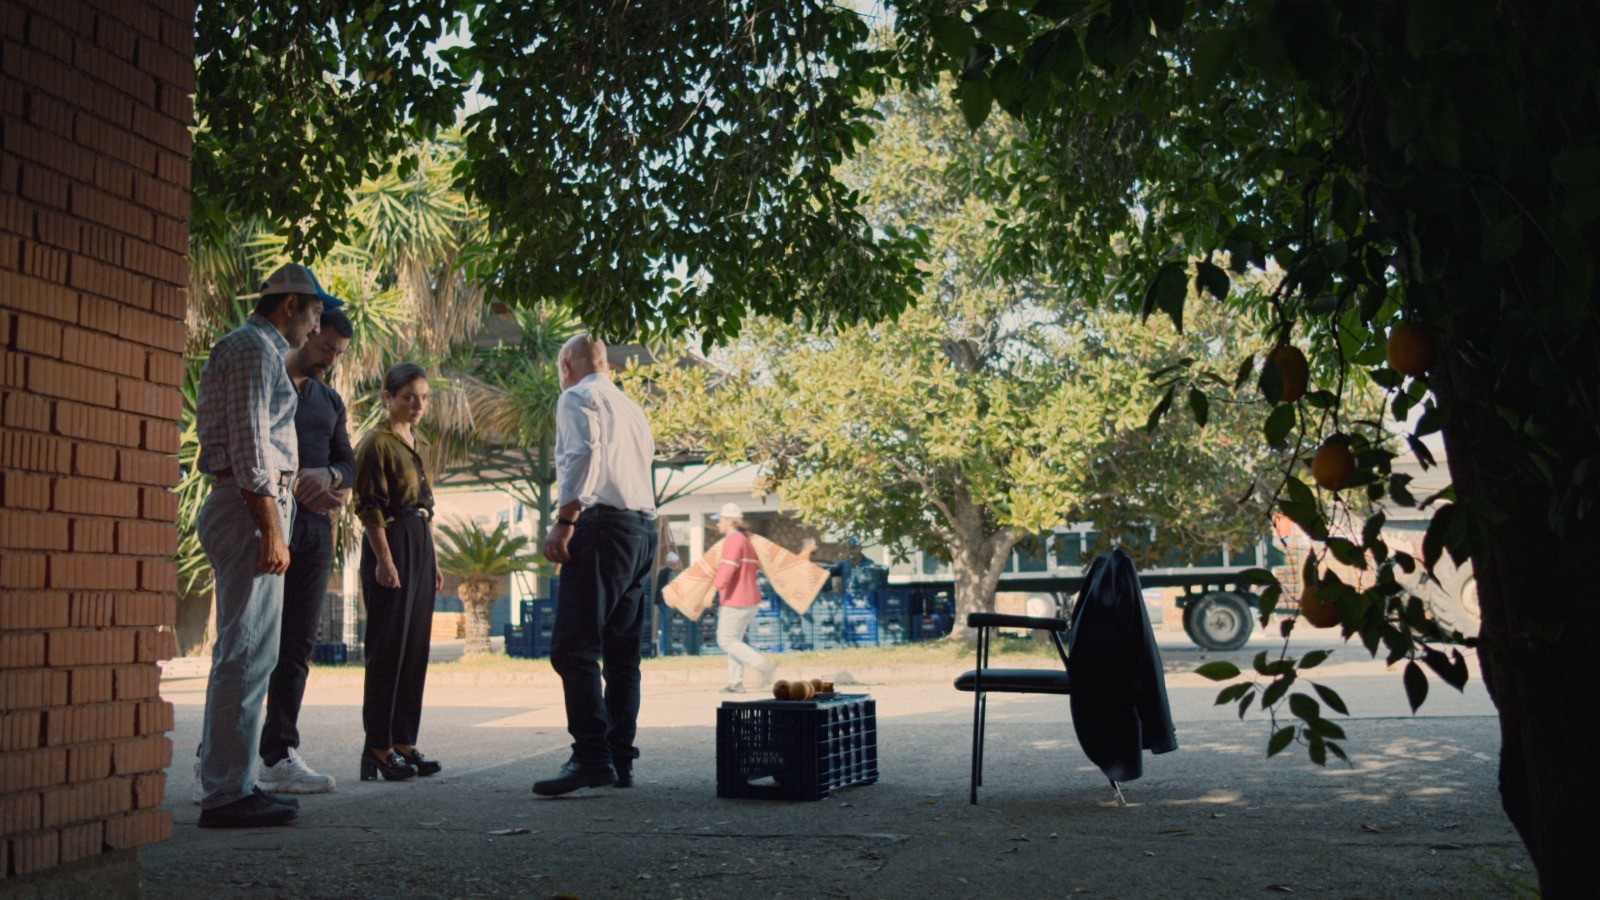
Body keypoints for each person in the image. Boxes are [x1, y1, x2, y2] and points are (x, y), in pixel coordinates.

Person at [193, 263, 339, 828]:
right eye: (315, 313)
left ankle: (232, 783)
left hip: (251, 505)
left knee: (249, 652)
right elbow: (253, 446)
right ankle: (227, 793)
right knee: (247, 652)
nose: (317, 327)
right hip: (250, 507)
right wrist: (273, 529)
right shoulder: (255, 349)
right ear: (290, 305)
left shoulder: (258, 350)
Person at [534, 334, 658, 796]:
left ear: (566, 364)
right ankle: (619, 758)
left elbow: (583, 455)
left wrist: (565, 520)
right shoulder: (631, 407)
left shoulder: (575, 397)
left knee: (573, 648)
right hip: (641, 531)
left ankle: (591, 757)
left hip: (602, 528)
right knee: (623, 655)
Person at [256, 308, 355, 795]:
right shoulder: (268, 383)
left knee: (296, 646)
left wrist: (327, 476)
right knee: (251, 643)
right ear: (308, 333)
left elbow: (348, 464)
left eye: (338, 354)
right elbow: (250, 447)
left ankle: (278, 755)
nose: (330, 360)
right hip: (267, 520)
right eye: (325, 348)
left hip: (315, 530)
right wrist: (293, 481)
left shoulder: (330, 400)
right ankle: (214, 755)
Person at [353, 363, 443, 782]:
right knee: (388, 649)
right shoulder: (376, 442)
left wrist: (433, 561)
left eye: (423, 397)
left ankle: (405, 743)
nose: (418, 405)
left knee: (415, 649)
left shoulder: (414, 441)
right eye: (408, 397)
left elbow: (425, 508)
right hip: (391, 541)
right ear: (387, 398)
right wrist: (385, 561)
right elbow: (369, 506)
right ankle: (378, 748)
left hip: (419, 542)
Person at [711, 502, 777, 693]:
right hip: (749, 599)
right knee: (735, 642)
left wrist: (712, 590)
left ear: (729, 521)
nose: (717, 524)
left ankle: (763, 665)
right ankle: (736, 683)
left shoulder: (733, 540)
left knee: (725, 641)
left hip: (735, 599)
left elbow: (727, 568)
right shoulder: (746, 541)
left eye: (720, 520)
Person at [655, 551, 685, 656]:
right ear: (674, 563)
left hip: (660, 601)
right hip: (666, 602)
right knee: (666, 627)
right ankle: (664, 650)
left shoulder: (662, 571)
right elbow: (672, 587)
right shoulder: (671, 572)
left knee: (663, 625)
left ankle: (662, 650)